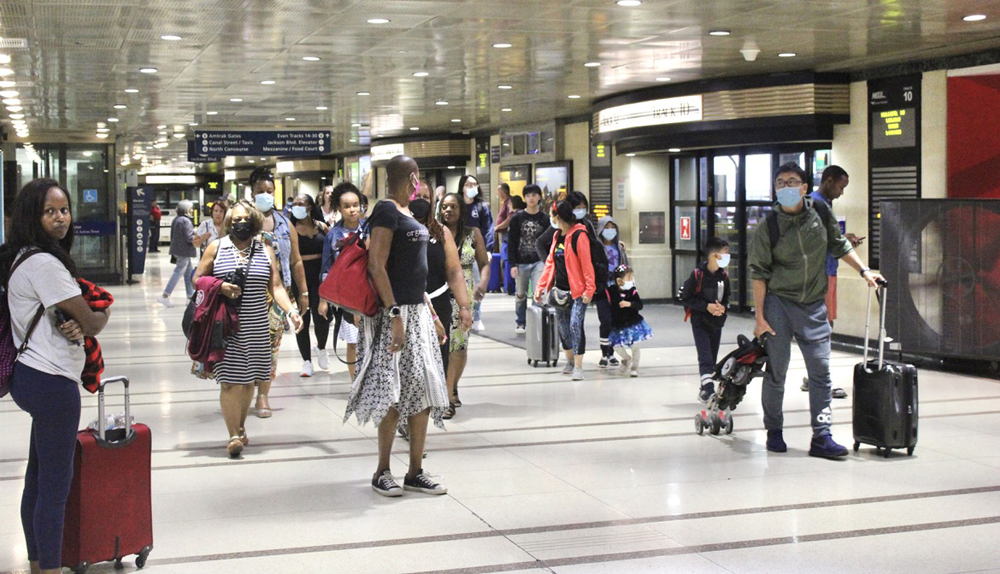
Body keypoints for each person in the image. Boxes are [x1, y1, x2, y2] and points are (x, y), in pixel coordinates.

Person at [1, 179, 111, 574]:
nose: (61, 218)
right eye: (50, 211)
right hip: (52, 383)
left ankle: (36, 562)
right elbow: (93, 321)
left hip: (29, 375)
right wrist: (101, 316)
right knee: (54, 488)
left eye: (64, 210)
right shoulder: (45, 263)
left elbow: (66, 318)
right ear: (34, 215)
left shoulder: (20, 257)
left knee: (37, 478)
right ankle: (48, 567)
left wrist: (76, 324)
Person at [750, 162, 884, 459]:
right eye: (781, 183)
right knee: (777, 372)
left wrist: (865, 271)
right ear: (775, 189)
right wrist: (760, 317)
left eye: (792, 181)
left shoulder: (821, 213)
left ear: (804, 187)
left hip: (813, 304)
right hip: (779, 304)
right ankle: (774, 429)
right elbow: (758, 273)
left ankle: (822, 436)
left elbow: (838, 245)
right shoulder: (768, 226)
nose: (786, 187)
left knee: (821, 371)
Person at [344, 155, 456, 498]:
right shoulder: (386, 211)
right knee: (391, 392)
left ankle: (415, 470)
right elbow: (377, 266)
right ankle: (382, 470)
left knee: (420, 389)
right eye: (417, 178)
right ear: (412, 177)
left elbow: (413, 274)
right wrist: (394, 315)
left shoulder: (409, 214)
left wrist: (432, 316)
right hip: (390, 314)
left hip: (418, 313)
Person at [195, 200, 303, 457]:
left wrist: (291, 311)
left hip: (257, 325)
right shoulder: (216, 247)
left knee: (248, 382)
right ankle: (233, 434)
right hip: (225, 325)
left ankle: (240, 426)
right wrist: (219, 287)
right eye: (236, 219)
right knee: (229, 382)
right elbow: (197, 278)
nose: (240, 223)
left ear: (253, 221)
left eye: (245, 219)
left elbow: (275, 286)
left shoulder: (265, 250)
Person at [248, 167, 310, 418]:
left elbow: (295, 260)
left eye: (269, 191)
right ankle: (242, 388)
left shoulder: (285, 223)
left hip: (278, 294)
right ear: (251, 193)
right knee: (247, 344)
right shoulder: (243, 220)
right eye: (260, 192)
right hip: (248, 293)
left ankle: (263, 395)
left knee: (270, 346)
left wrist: (303, 292)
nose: (265, 195)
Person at [410, 197, 473, 432]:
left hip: (438, 301)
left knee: (440, 356)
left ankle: (439, 400)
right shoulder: (396, 229)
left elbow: (455, 271)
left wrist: (464, 307)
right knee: (411, 358)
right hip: (407, 303)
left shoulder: (440, 232)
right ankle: (412, 407)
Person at [800, 165, 863, 399]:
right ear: (828, 181)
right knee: (823, 327)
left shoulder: (824, 205)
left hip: (829, 271)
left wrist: (842, 239)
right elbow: (812, 240)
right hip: (821, 274)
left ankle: (814, 377)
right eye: (840, 186)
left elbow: (825, 237)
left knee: (826, 326)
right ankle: (818, 379)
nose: (841, 192)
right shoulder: (814, 203)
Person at [438, 192, 490, 418]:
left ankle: (452, 386)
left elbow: (484, 263)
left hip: (464, 296)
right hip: (440, 293)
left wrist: (483, 283)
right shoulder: (435, 233)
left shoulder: (473, 233)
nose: (448, 210)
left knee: (459, 346)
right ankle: (446, 394)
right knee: (444, 346)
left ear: (461, 211)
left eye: (453, 207)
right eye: (444, 207)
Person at [534, 200, 596, 381]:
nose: (550, 219)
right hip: (559, 290)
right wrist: (541, 287)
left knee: (576, 325)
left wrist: (589, 290)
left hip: (578, 292)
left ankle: (578, 366)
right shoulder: (556, 236)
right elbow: (550, 264)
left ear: (558, 217)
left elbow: (587, 265)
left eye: (552, 216)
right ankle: (569, 360)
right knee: (563, 327)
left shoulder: (579, 236)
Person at [319, 182, 365, 381]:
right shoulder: (333, 235)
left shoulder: (371, 230)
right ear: (338, 208)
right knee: (353, 341)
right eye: (347, 206)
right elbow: (327, 269)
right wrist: (323, 300)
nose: (353, 209)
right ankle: (355, 381)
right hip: (347, 296)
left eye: (356, 204)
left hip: (371, 292)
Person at [680, 237, 732, 402]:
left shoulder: (724, 276)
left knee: (712, 356)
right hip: (700, 322)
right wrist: (706, 307)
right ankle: (708, 390)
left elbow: (726, 299)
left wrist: (722, 308)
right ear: (714, 256)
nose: (728, 256)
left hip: (717, 323)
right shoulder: (697, 275)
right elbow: (686, 298)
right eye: (725, 253)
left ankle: (705, 387)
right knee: (705, 357)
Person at [291, 193, 330, 377]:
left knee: (322, 316)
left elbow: (332, 247)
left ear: (310, 207)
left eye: (302, 204)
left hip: (320, 277)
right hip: (299, 278)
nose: (297, 207)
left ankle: (321, 347)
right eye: (295, 204)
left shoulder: (321, 226)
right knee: (303, 320)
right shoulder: (290, 228)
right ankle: (306, 361)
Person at [508, 184, 548, 335]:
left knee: (538, 293)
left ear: (539, 197)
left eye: (534, 195)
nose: (531, 198)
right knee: (521, 294)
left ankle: (535, 321)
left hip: (539, 261)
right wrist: (511, 263)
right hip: (520, 261)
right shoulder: (517, 218)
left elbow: (549, 241)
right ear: (524, 198)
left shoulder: (545, 219)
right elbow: (512, 241)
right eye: (528, 195)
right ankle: (521, 321)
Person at [459, 175, 493, 332]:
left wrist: (488, 250)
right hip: (458, 251)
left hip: (476, 252)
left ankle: (477, 317)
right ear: (462, 187)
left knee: (478, 283)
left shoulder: (482, 207)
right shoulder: (456, 204)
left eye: (474, 184)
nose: (472, 187)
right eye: (468, 184)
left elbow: (488, 229)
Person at [607, 265, 653, 377]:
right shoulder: (611, 291)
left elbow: (639, 305)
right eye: (628, 278)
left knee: (635, 346)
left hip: (633, 323)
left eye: (632, 277)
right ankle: (626, 359)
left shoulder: (632, 292)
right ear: (619, 281)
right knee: (616, 346)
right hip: (618, 324)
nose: (631, 280)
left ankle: (635, 367)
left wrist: (630, 304)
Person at [596, 215, 629, 368]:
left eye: (612, 227)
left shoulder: (620, 248)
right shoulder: (596, 247)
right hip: (602, 288)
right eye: (606, 227)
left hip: (617, 289)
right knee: (605, 321)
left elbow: (625, 267)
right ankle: (604, 353)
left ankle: (612, 353)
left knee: (615, 322)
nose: (609, 231)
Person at [156, 200, 196, 308]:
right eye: (190, 208)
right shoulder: (186, 221)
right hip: (184, 251)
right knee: (178, 272)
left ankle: (190, 296)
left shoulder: (177, 220)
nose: (192, 210)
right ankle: (165, 295)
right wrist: (198, 236)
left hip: (178, 250)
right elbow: (189, 237)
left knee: (188, 273)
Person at [493, 183, 514, 293]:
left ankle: (509, 286)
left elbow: (509, 218)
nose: (497, 193)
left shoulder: (509, 203)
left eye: (498, 191)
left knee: (507, 260)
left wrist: (498, 227)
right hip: (503, 235)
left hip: (507, 235)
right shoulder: (504, 203)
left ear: (503, 191)